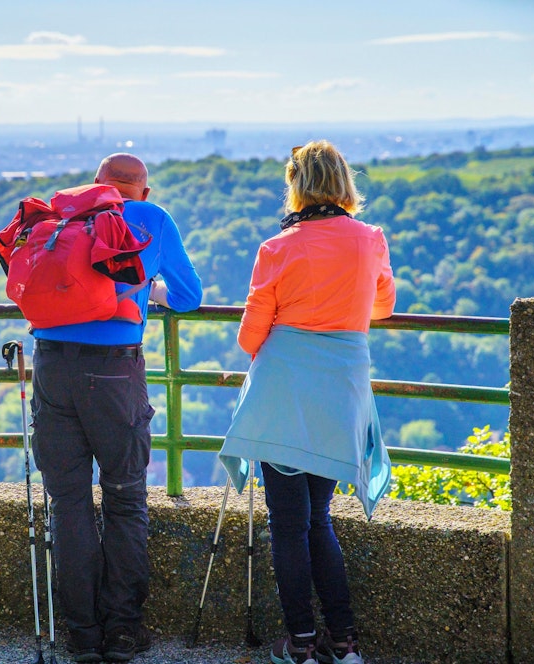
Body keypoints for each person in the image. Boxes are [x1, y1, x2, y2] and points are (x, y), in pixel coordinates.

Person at [218, 141, 396, 664]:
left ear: (296, 184)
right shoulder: (370, 240)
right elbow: (383, 306)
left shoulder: (278, 248)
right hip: (341, 392)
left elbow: (251, 337)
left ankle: (299, 642)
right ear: (345, 183)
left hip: (284, 395)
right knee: (320, 518)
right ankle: (343, 643)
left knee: (288, 525)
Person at [30, 153, 202, 663]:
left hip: (50, 366)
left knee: (69, 504)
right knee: (125, 499)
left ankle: (82, 635)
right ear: (142, 192)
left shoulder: (65, 218)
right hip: (114, 372)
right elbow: (190, 296)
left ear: (97, 184)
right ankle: (123, 632)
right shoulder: (152, 219)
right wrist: (151, 291)